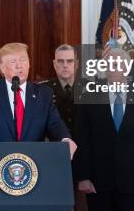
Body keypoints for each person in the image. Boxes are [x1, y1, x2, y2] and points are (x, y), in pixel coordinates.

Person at [75, 48, 134, 211]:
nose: (113, 67)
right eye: (109, 64)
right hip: (98, 183)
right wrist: (83, 176)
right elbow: (82, 138)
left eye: (118, 64)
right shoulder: (89, 96)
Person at [0, 42, 76, 158]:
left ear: (29, 64)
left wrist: (65, 139)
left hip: (33, 162)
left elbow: (55, 124)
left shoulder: (44, 93)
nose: (19, 66)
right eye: (13, 61)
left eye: (23, 60)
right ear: (2, 67)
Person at [41, 44, 87, 211]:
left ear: (76, 63)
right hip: (53, 159)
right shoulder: (42, 90)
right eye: (60, 61)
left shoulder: (92, 88)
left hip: (85, 159)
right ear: (54, 64)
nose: (65, 65)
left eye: (69, 61)